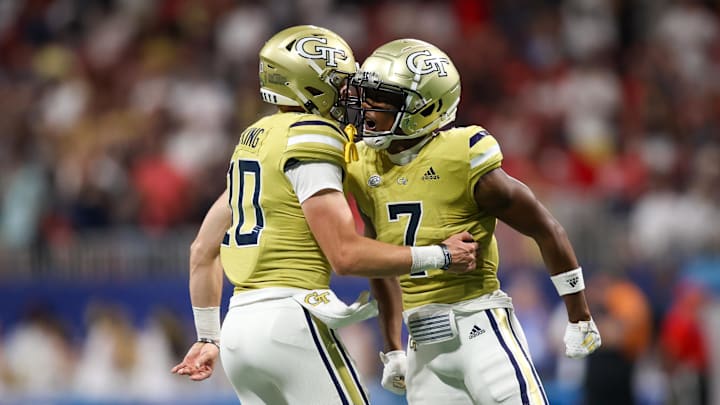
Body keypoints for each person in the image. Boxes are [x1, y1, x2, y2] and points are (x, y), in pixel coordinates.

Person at [170, 26, 478, 405]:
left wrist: (207, 336)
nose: (350, 94)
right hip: (290, 321)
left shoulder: (256, 138)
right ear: (311, 86)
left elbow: (202, 248)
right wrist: (440, 255)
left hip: (238, 332)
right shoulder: (313, 135)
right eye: (340, 83)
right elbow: (345, 256)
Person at [344, 38, 603, 404]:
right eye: (366, 95)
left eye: (381, 98)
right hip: (422, 346)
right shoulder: (363, 166)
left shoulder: (460, 155)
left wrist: (579, 314)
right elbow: (380, 262)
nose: (367, 109)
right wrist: (392, 347)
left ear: (424, 106)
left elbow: (545, 228)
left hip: (479, 328)